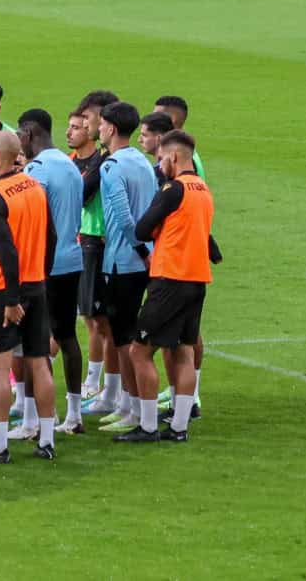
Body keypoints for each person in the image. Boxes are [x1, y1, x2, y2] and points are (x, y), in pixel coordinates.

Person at [117, 130, 219, 443]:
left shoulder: (173, 189)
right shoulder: (203, 189)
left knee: (139, 350)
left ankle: (148, 426)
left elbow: (142, 229)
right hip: (196, 280)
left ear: (174, 157)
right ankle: (179, 428)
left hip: (170, 280)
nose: (159, 165)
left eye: (161, 159)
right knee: (183, 350)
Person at [0, 130, 57, 464]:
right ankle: (47, 440)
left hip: (2, 291)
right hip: (36, 284)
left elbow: (6, 252)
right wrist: (41, 276)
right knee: (39, 361)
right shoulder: (34, 187)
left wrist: (11, 299)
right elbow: (51, 236)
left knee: (0, 366)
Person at [17, 108, 86, 435]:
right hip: (72, 259)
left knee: (36, 343)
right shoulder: (70, 164)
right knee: (67, 336)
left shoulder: (37, 169)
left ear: (29, 133)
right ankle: (74, 416)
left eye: (20, 135)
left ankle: (33, 420)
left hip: (45, 265)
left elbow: (32, 218)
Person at [94, 102, 159, 434]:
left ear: (111, 128)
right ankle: (128, 406)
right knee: (129, 336)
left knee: (124, 340)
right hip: (145, 259)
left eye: (101, 124)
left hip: (123, 261)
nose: (98, 129)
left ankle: (133, 409)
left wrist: (138, 248)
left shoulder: (111, 166)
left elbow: (122, 215)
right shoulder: (142, 162)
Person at [153, 95, 207, 414]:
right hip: (187, 264)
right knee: (181, 336)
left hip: (178, 264)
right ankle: (181, 396)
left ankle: (189, 395)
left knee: (182, 336)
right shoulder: (179, 163)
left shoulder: (185, 168)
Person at [74, 89, 118, 411]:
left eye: (88, 118)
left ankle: (106, 391)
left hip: (100, 243)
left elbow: (83, 194)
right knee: (94, 319)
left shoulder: (108, 160)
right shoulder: (103, 157)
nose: (86, 124)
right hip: (92, 240)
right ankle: (105, 389)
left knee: (103, 323)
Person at [139, 111, 175, 185]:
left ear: (159, 138)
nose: (139, 140)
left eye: (144, 135)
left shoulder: (157, 173)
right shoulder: (179, 164)